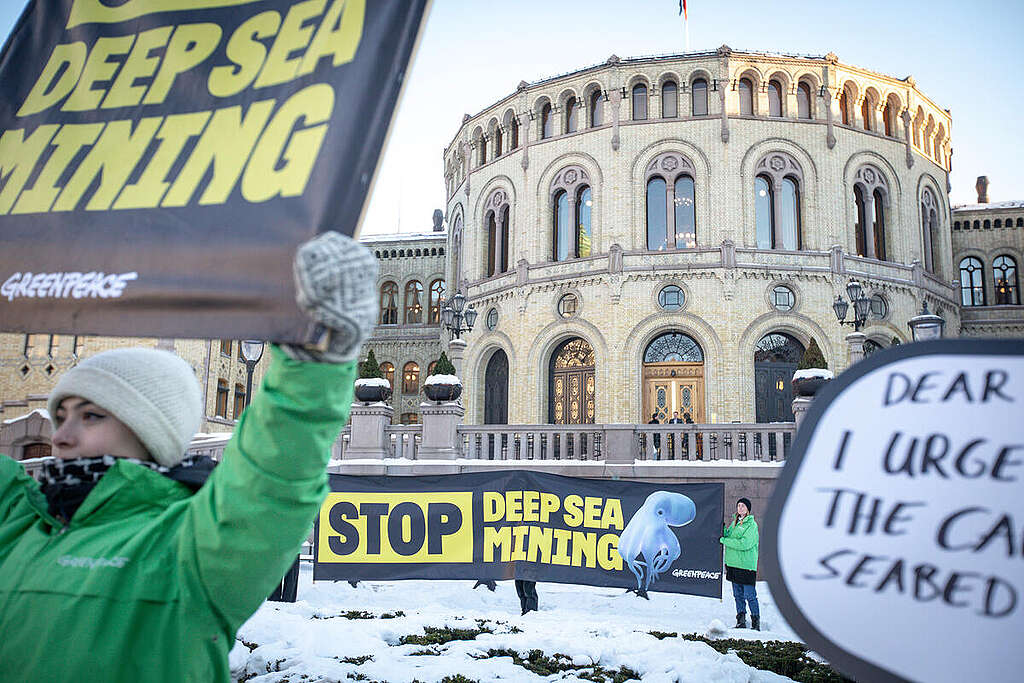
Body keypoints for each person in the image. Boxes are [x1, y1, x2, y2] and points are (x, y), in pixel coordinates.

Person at [0, 232, 377, 682]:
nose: (60, 436)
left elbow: (276, 470)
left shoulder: (196, 548)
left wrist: (316, 357)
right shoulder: (20, 519)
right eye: (61, 415)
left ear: (149, 430)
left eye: (92, 415)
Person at [721, 497, 760, 630]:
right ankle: (741, 620)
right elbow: (728, 536)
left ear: (748, 509)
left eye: (743, 506)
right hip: (733, 564)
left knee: (750, 595)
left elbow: (744, 543)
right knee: (738, 595)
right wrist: (723, 529)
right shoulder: (735, 523)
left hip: (746, 566)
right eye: (738, 506)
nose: (740, 508)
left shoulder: (752, 525)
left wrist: (724, 541)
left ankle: (755, 621)